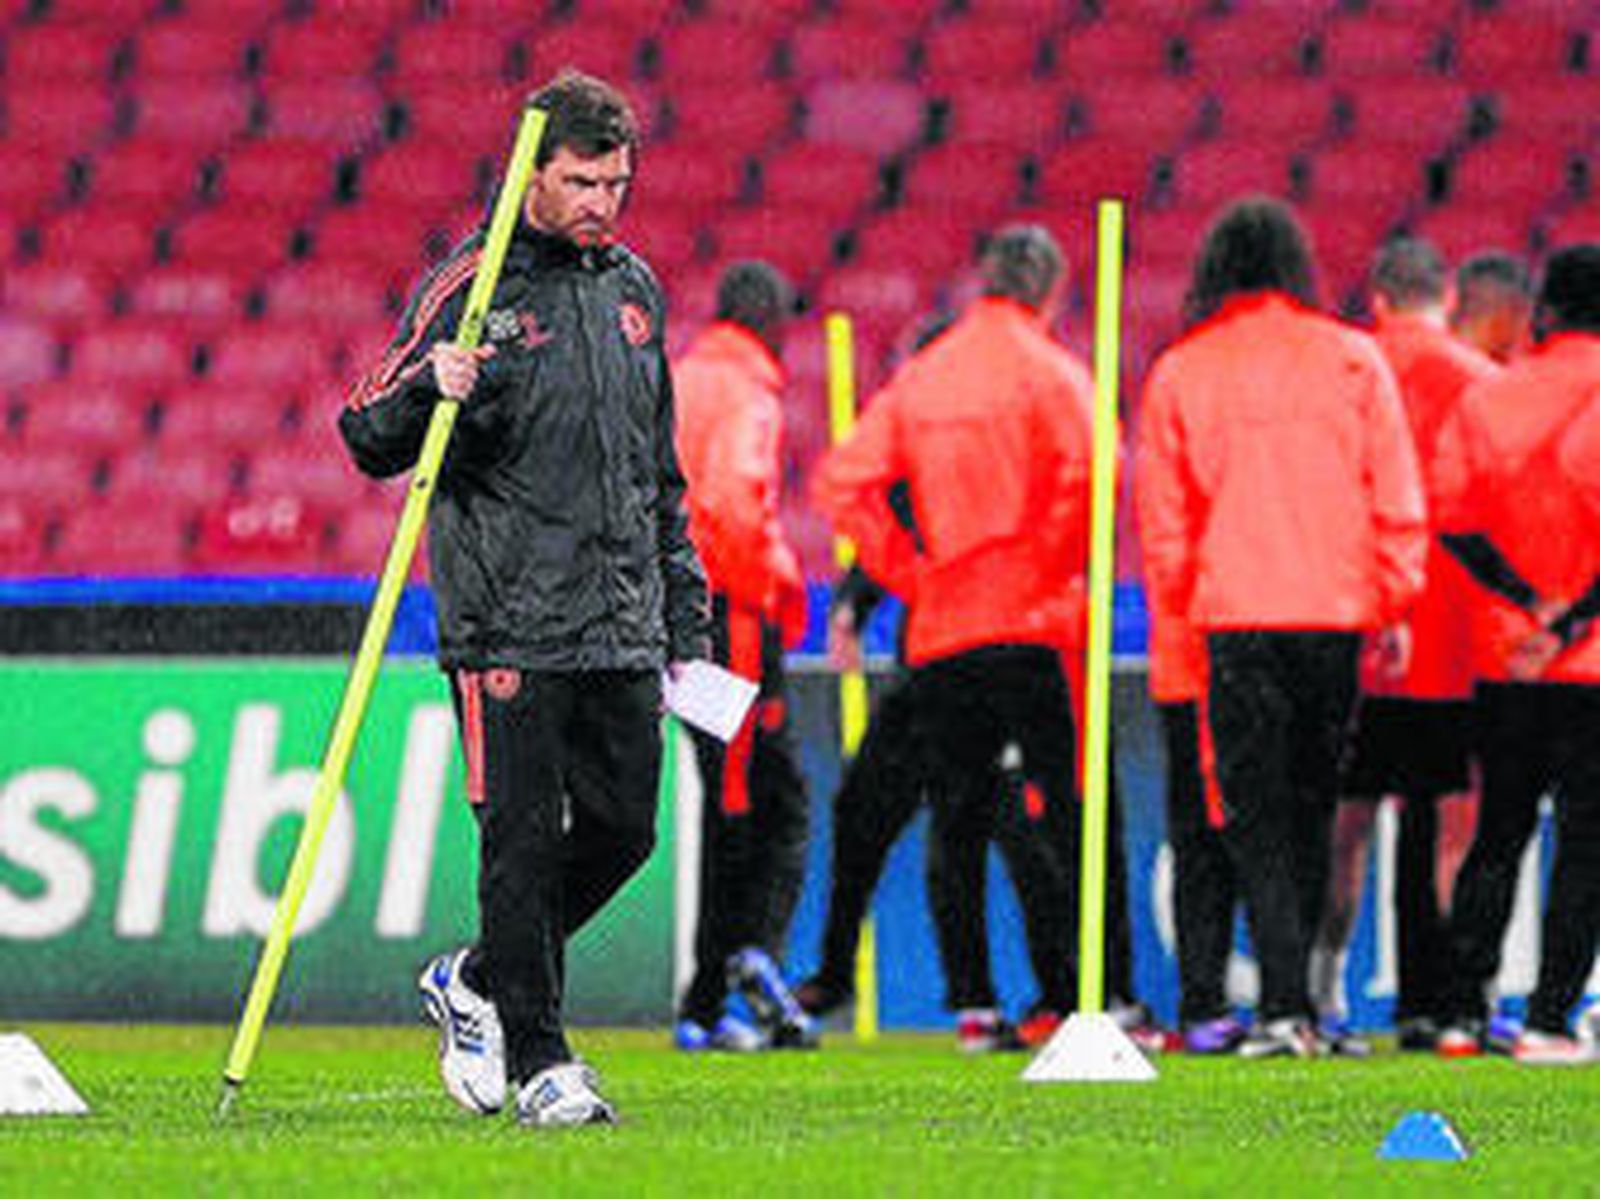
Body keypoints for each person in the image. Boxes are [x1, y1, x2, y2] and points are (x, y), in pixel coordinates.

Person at [338, 71, 709, 1127]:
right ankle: (544, 1061)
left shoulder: (636, 290)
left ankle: (476, 978)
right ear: (530, 176)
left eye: (616, 184)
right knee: (521, 841)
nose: (602, 202)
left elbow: (658, 470)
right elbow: (364, 429)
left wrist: (684, 613)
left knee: (625, 832)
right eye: (582, 182)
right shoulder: (470, 284)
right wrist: (430, 385)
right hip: (506, 618)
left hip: (621, 617)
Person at [813, 225, 1147, 1051]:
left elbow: (841, 483)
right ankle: (1096, 997)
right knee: (1070, 813)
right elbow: (1098, 477)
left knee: (957, 819)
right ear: (1052, 290)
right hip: (1037, 630)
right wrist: (1046, 566)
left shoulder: (925, 377)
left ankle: (975, 1008)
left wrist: (912, 572)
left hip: (944, 632)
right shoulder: (1055, 374)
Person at [1138, 197, 1427, 1058]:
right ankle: (1297, 1004)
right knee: (1311, 812)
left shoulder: (1183, 371)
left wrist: (1190, 613)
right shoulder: (1354, 360)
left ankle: (1283, 1007)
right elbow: (1396, 496)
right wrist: (1392, 602)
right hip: (1334, 618)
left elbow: (1163, 527)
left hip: (1235, 619)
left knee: (1253, 815)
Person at [1307, 237, 1501, 1052]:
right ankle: (1456, 1004)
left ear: (1379, 299)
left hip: (1355, 635)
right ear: (1447, 298)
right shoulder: (1484, 383)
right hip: (1456, 641)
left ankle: (1317, 992)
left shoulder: (1341, 372)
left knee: (1343, 824)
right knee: (1453, 825)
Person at [1432, 243, 1600, 1064]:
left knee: (1497, 833)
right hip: (1591, 663)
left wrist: (1527, 605)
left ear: (1546, 311)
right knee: (1586, 846)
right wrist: (1569, 620)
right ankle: (1549, 1019)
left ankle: (1462, 1013)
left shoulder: (1487, 397)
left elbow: (1452, 522)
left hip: (1508, 658)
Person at [668, 260, 815, 1052]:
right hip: (731, 613)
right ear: (771, 323)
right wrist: (775, 587)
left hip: (674, 611)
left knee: (748, 793)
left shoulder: (679, 379)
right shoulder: (748, 391)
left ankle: (726, 977)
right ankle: (720, 984)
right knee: (752, 800)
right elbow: (729, 506)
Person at [1134, 458, 1245, 1054]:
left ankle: (1284, 1002)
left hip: (1229, 647)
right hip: (1202, 654)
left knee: (1237, 834)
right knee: (1204, 835)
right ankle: (1212, 1002)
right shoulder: (1182, 431)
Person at [1450, 251, 1534, 364]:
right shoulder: (1442, 360)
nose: (1497, 320)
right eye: (1484, 308)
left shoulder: (1541, 365)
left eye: (1516, 309)